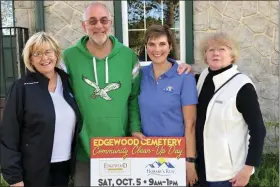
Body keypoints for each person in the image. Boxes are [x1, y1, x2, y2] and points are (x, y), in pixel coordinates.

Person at [59, 2, 191, 186]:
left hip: (121, 148)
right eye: (92, 21)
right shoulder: (68, 58)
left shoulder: (128, 57)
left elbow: (133, 99)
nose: (99, 26)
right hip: (84, 149)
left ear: (111, 22)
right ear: (84, 25)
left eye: (104, 20)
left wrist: (135, 129)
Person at [0, 32, 81, 187]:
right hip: (33, 171)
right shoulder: (21, 88)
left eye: (48, 52)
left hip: (64, 167)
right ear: (30, 59)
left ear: (56, 54)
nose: (44, 58)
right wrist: (14, 178)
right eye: (37, 54)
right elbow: (9, 135)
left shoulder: (68, 83)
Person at [193, 32, 266, 187]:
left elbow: (258, 130)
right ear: (205, 56)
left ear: (232, 55)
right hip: (201, 165)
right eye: (210, 49)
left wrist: (247, 169)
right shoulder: (203, 78)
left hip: (227, 173)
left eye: (222, 49)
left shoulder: (242, 86)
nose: (216, 53)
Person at [138, 24, 198, 186]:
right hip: (146, 153)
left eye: (162, 44)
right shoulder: (140, 75)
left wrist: (190, 161)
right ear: (146, 47)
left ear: (170, 46)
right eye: (152, 44)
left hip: (175, 154)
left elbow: (190, 124)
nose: (157, 49)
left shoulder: (184, 77)